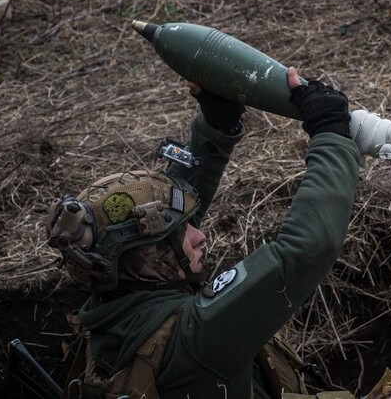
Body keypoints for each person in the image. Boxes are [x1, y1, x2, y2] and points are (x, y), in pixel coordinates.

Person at [45, 67, 360, 398]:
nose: (200, 236)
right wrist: (331, 134)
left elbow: (160, 221)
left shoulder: (115, 307)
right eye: (183, 234)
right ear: (144, 258)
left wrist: (215, 125)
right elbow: (307, 248)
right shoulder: (196, 336)